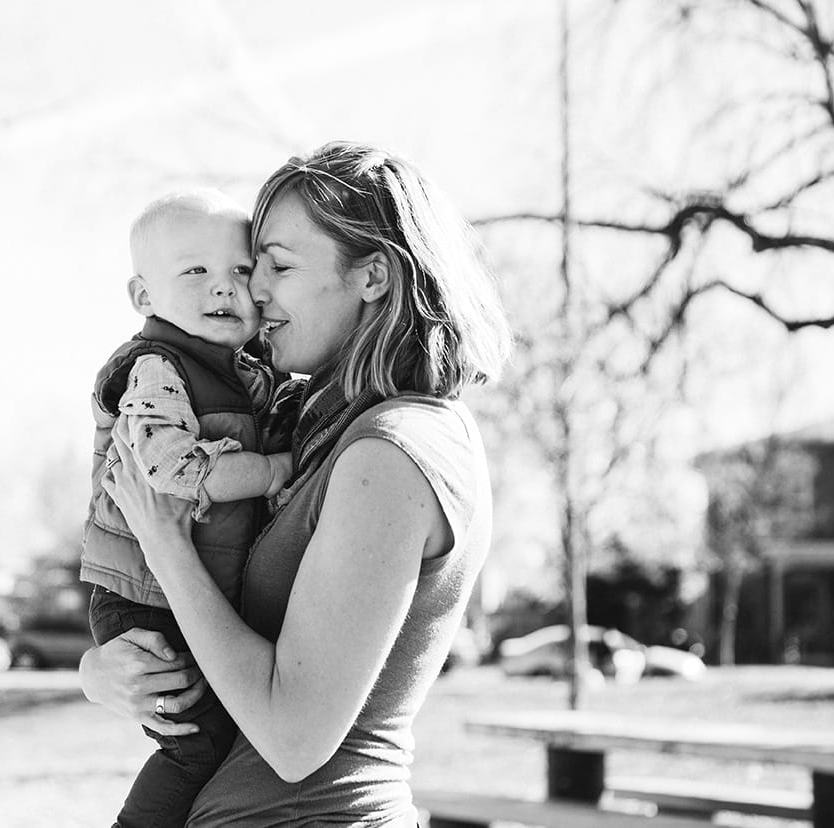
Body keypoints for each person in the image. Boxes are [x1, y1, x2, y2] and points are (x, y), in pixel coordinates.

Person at [83, 141, 512, 825]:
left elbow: (292, 737)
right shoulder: (325, 427)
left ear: (372, 275)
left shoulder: (390, 453)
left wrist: (161, 541)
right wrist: (107, 670)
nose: (251, 290)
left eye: (275, 266)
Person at [80, 189, 294, 827]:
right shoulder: (156, 368)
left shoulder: (245, 373)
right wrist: (272, 471)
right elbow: (171, 468)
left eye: (237, 271)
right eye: (195, 272)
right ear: (145, 298)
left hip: (184, 592)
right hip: (144, 598)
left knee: (222, 735)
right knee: (196, 749)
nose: (223, 289)